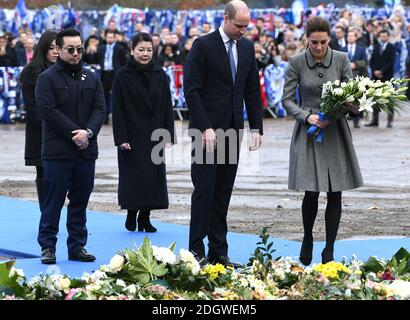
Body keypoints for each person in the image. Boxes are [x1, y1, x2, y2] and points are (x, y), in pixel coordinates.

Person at [184, 0, 263, 268]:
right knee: (204, 190)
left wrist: (256, 127)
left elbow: (252, 89)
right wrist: (205, 126)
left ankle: (219, 251)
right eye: (239, 26)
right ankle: (195, 250)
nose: (243, 30)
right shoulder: (203, 45)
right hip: (205, 131)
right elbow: (192, 90)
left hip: (232, 130)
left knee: (223, 192)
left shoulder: (247, 47)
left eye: (246, 26)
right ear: (226, 19)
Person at [282, 16, 363, 266]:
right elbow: (286, 100)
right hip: (309, 132)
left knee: (335, 192)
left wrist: (352, 105)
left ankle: (329, 249)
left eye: (323, 42)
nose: (318, 47)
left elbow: (353, 95)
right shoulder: (296, 62)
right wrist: (307, 117)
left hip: (335, 131)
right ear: (307, 39)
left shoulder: (341, 59)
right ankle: (307, 238)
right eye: (314, 42)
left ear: (329, 38)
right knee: (311, 191)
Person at [35, 29, 106, 264]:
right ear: (58, 49)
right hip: (57, 152)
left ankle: (77, 245)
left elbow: (100, 109)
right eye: (70, 50)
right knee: (52, 202)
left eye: (79, 49)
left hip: (86, 150)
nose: (76, 54)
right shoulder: (47, 78)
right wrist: (73, 133)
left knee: (80, 201)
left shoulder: (92, 77)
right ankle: (48, 246)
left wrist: (87, 133)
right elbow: (48, 111)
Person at [112, 32, 175, 233]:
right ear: (132, 51)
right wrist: (121, 137)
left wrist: (168, 133)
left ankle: (145, 217)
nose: (145, 53)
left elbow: (167, 105)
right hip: (132, 135)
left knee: (153, 178)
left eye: (149, 50)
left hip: (154, 134)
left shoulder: (161, 74)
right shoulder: (122, 75)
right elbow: (117, 108)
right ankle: (131, 212)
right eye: (141, 50)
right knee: (133, 176)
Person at [20, 30, 58, 213]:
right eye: (51, 48)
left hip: (62, 130)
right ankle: (47, 212)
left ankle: (54, 210)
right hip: (40, 130)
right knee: (43, 172)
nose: (55, 51)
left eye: (58, 47)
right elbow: (32, 106)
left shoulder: (65, 68)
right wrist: (51, 126)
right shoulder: (32, 70)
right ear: (43, 48)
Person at [367, 29, 396, 127]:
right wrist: (375, 71)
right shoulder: (376, 47)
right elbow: (372, 61)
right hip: (376, 78)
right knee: (375, 99)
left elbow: (391, 62)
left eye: (385, 36)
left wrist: (382, 71)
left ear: (388, 37)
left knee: (389, 100)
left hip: (387, 77)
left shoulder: (392, 47)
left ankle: (390, 121)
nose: (383, 38)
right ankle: (375, 120)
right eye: (382, 36)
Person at [340, 28, 368, 128]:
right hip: (345, 78)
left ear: (356, 38)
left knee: (356, 99)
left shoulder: (361, 49)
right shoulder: (342, 49)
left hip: (358, 77)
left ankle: (356, 120)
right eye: (348, 36)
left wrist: (355, 64)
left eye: (352, 36)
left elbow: (365, 62)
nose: (350, 37)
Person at [98, 29, 127, 124]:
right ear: (105, 38)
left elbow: (124, 62)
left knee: (116, 95)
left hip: (115, 74)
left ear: (114, 38)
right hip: (105, 74)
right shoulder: (102, 48)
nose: (109, 39)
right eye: (108, 37)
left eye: (111, 37)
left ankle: (116, 117)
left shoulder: (119, 48)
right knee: (104, 96)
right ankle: (105, 118)